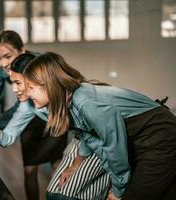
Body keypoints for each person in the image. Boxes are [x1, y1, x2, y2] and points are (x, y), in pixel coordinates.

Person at [22, 52, 176, 200]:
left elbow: (114, 147)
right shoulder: (72, 101)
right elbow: (88, 135)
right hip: (144, 141)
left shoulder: (86, 102)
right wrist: (76, 165)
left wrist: (118, 190)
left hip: (160, 138)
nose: (27, 94)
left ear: (48, 86)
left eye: (31, 88)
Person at [0, 53, 111, 200]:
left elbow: (102, 133)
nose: (14, 89)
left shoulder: (77, 98)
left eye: (18, 83)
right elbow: (6, 138)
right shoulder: (27, 105)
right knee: (56, 192)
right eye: (12, 82)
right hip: (85, 140)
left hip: (102, 139)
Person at [0, 32, 67, 200]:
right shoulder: (0, 69)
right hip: (29, 117)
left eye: (7, 56)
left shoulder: (38, 65)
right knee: (29, 168)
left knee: (57, 164)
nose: (3, 63)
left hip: (54, 116)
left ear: (22, 51)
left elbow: (24, 106)